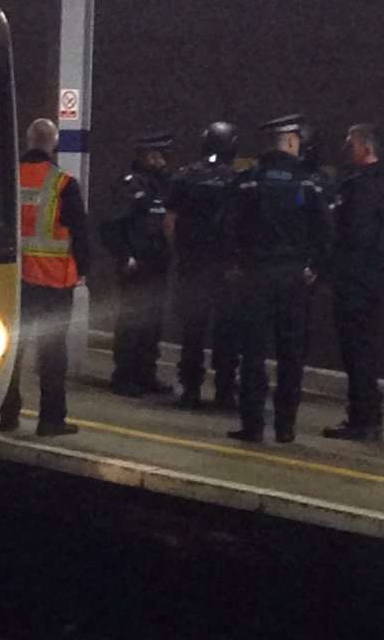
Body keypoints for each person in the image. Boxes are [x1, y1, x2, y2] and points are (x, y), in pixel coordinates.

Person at [224, 114, 331, 443]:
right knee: (291, 353)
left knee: (253, 353)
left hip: (256, 274)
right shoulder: (310, 181)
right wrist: (315, 267)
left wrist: (237, 263)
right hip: (294, 276)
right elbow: (325, 230)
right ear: (288, 141)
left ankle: (252, 425)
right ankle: (286, 427)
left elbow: (229, 227)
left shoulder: (247, 180)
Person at [0, 118, 91, 436]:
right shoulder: (63, 184)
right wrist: (83, 272)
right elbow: (81, 234)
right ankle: (51, 420)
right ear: (53, 143)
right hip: (54, 284)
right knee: (52, 354)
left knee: (11, 350)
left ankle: (6, 414)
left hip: (14, 282)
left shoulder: (8, 179)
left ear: (28, 139)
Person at [322, 124, 384, 442]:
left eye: (350, 143)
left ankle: (362, 419)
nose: (345, 149)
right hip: (373, 280)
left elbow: (347, 235)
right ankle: (367, 415)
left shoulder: (358, 187)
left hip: (354, 280)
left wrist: (335, 271)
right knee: (364, 348)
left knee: (356, 350)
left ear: (366, 147)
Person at [164, 122, 241, 410]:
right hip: (226, 267)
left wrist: (181, 253)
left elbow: (170, 221)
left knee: (193, 330)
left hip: (193, 263)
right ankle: (224, 390)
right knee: (226, 331)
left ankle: (190, 389)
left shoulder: (185, 176)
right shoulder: (237, 179)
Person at [103, 131, 174, 397]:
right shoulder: (130, 185)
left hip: (158, 262)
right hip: (136, 264)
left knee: (153, 321)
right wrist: (125, 255)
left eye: (161, 155)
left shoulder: (165, 185)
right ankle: (124, 375)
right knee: (132, 320)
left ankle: (146, 373)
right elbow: (113, 225)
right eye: (154, 154)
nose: (159, 160)